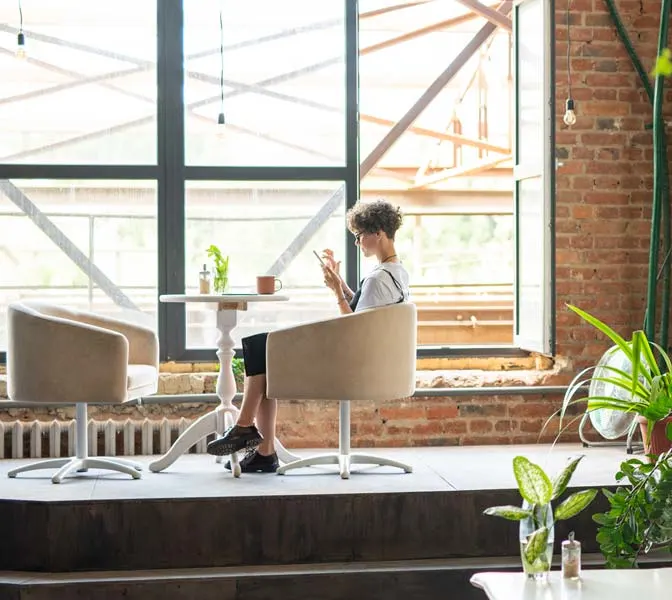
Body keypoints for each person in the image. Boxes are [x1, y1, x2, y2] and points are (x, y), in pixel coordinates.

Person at [206, 199, 410, 472]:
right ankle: (263, 450)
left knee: (261, 348)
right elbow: (366, 314)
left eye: (359, 235)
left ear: (379, 233)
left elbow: (353, 327)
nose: (357, 242)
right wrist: (341, 285)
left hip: (351, 366)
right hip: (372, 362)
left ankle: (246, 430)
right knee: (262, 349)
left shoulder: (376, 278)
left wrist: (337, 293)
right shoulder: (396, 273)